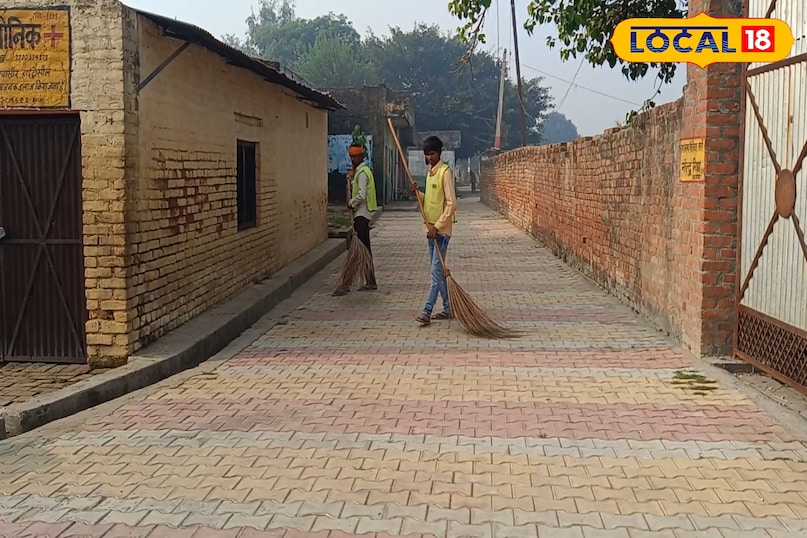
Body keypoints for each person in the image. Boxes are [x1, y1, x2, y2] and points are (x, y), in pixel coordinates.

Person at [411, 136, 457, 326]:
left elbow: (452, 204)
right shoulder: (430, 173)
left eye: (432, 154)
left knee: (435, 274)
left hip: (440, 232)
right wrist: (418, 194)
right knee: (437, 273)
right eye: (427, 154)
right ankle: (448, 308)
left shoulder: (444, 172)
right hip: (429, 229)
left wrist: (437, 226)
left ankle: (427, 311)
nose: (429, 157)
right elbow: (429, 201)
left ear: (439, 153)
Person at [333, 143, 378, 296]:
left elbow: (362, 195)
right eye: (351, 157)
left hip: (362, 214)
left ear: (361, 156)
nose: (353, 159)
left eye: (355, 157)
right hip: (361, 213)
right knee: (364, 248)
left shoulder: (363, 173)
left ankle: (351, 282)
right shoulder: (360, 172)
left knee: (358, 248)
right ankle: (370, 281)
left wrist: (351, 203)